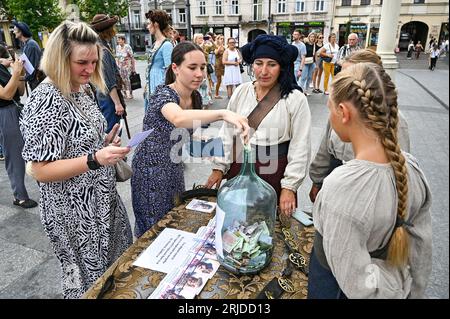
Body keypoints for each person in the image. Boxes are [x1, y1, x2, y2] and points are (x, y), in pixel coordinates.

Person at [19, 21, 133, 298]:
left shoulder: (80, 88)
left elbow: (78, 144)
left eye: (94, 62)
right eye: (82, 62)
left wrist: (104, 143)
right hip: (74, 214)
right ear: (59, 58)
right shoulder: (46, 99)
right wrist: (94, 158)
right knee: (89, 283)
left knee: (114, 275)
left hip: (102, 201)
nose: (90, 69)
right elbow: (39, 170)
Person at [307, 62, 432, 299]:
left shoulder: (341, 188)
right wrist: (410, 288)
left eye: (330, 106)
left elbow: (359, 285)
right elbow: (421, 250)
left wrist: (394, 288)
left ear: (343, 113)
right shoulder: (412, 168)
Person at [131, 42, 249, 238]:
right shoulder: (163, 94)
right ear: (175, 68)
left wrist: (219, 160)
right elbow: (177, 118)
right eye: (192, 68)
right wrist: (224, 113)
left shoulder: (195, 97)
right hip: (150, 171)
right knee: (153, 230)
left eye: (202, 67)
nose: (199, 74)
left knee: (174, 218)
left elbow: (188, 135)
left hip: (174, 167)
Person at [206, 35, 311, 217]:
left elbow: (300, 145)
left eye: (272, 64)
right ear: (251, 65)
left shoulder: (295, 98)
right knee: (236, 223)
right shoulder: (241, 91)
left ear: (281, 67)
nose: (264, 71)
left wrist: (289, 186)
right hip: (240, 169)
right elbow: (227, 133)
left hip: (275, 172)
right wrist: (219, 167)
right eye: (258, 63)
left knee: (270, 228)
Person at [309, 49, 411, 203]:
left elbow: (399, 165)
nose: (340, 82)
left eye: (348, 77)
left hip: (368, 189)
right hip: (335, 176)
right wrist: (317, 180)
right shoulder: (339, 111)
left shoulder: (394, 120)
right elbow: (325, 149)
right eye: (340, 74)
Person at [0, 44, 38, 208]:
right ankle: (20, 196)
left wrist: (20, 73)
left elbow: (20, 91)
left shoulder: (3, 70)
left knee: (30, 148)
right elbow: (6, 94)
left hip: (16, 110)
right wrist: (15, 72)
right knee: (14, 155)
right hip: (4, 114)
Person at [90, 14, 125, 134]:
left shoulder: (99, 45)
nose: (114, 30)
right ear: (108, 30)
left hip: (101, 95)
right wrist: (118, 103)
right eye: (112, 27)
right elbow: (109, 81)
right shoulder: (103, 50)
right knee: (113, 132)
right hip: (107, 99)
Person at [144, 9, 173, 111]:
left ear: (155, 24)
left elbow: (169, 70)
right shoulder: (155, 43)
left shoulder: (167, 45)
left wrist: (159, 90)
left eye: (149, 24)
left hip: (159, 87)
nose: (147, 27)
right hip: (151, 85)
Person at [12, 21, 42, 91]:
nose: (13, 32)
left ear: (21, 32)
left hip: (37, 83)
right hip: (34, 82)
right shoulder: (26, 44)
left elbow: (32, 71)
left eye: (15, 30)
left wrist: (17, 78)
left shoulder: (31, 45)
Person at [115, 34, 136, 99]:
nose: (118, 41)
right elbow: (117, 58)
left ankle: (130, 93)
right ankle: (124, 93)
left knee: (128, 80)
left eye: (119, 40)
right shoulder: (117, 47)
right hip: (120, 67)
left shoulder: (127, 47)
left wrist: (133, 68)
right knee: (121, 80)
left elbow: (132, 57)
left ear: (123, 40)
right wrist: (117, 66)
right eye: (118, 40)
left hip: (127, 66)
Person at [214, 34, 225, 99]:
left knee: (226, 78)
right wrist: (220, 46)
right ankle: (216, 94)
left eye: (223, 39)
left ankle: (229, 93)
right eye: (221, 39)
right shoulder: (216, 46)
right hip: (218, 64)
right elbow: (216, 53)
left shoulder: (223, 46)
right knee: (219, 80)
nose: (222, 40)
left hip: (223, 64)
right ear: (218, 39)